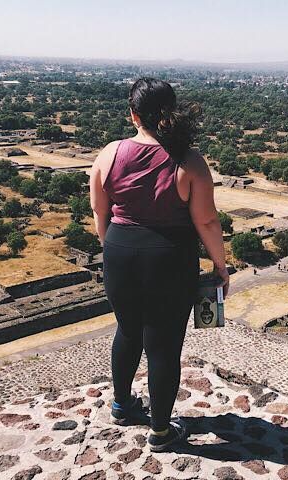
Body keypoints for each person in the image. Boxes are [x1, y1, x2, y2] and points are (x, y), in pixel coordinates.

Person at [90, 78, 228, 452]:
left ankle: (121, 405)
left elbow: (99, 212)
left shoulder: (110, 153)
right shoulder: (188, 160)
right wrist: (221, 266)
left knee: (128, 330)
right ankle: (161, 431)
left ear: (133, 114)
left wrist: (114, 248)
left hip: (119, 252)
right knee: (164, 346)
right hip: (169, 259)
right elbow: (207, 222)